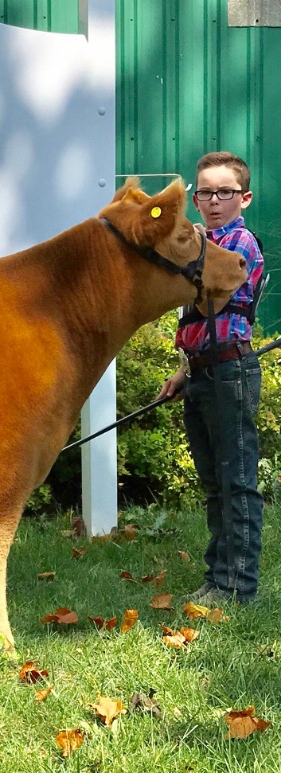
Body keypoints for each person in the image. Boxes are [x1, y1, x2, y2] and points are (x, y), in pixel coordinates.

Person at [159, 151, 264, 606]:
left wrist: (184, 253)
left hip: (231, 370)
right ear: (195, 198)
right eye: (205, 192)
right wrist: (183, 371)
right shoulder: (202, 243)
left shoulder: (237, 243)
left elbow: (209, 302)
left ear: (245, 197)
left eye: (225, 192)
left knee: (236, 480)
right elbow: (195, 324)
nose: (215, 200)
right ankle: (217, 578)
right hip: (202, 370)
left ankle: (238, 586)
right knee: (213, 483)